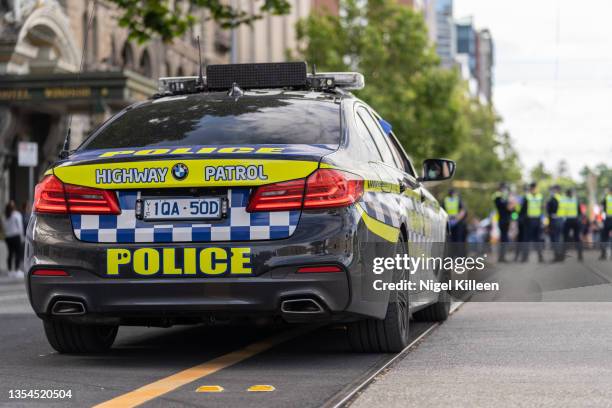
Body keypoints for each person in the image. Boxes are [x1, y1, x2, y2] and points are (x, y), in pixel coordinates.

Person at [520, 182, 544, 262]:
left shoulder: (527, 197)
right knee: (537, 239)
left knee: (527, 239)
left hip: (530, 220)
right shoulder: (539, 196)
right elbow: (542, 208)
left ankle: (525, 258)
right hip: (535, 220)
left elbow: (522, 210)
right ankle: (540, 257)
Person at [3, 201, 24, 276]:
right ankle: (17, 270)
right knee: (17, 253)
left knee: (10, 253)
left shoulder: (5, 216)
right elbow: (20, 227)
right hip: (16, 236)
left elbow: (4, 227)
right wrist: (21, 237)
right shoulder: (16, 214)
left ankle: (9, 271)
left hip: (8, 237)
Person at [493, 182, 513, 262]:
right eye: (505, 188)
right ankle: (501, 257)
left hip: (505, 219)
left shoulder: (504, 197)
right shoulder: (498, 196)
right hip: (502, 220)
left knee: (504, 238)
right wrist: (511, 203)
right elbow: (508, 207)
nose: (506, 190)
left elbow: (511, 208)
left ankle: (502, 256)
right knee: (503, 239)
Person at [562, 188, 583, 261]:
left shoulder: (564, 201)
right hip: (574, 220)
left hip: (568, 220)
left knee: (566, 238)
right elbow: (580, 212)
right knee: (576, 238)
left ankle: (564, 255)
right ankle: (580, 255)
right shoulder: (575, 200)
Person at [546, 185, 564, 262]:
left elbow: (549, 211)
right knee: (559, 238)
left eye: (552, 190)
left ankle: (557, 256)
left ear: (556, 190)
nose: (551, 192)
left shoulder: (553, 199)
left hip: (554, 221)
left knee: (555, 239)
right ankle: (560, 256)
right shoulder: (562, 198)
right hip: (561, 220)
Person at [601, 187, 612, 260]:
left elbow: (602, 210)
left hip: (608, 219)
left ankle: (603, 254)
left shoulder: (606, 198)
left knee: (604, 237)